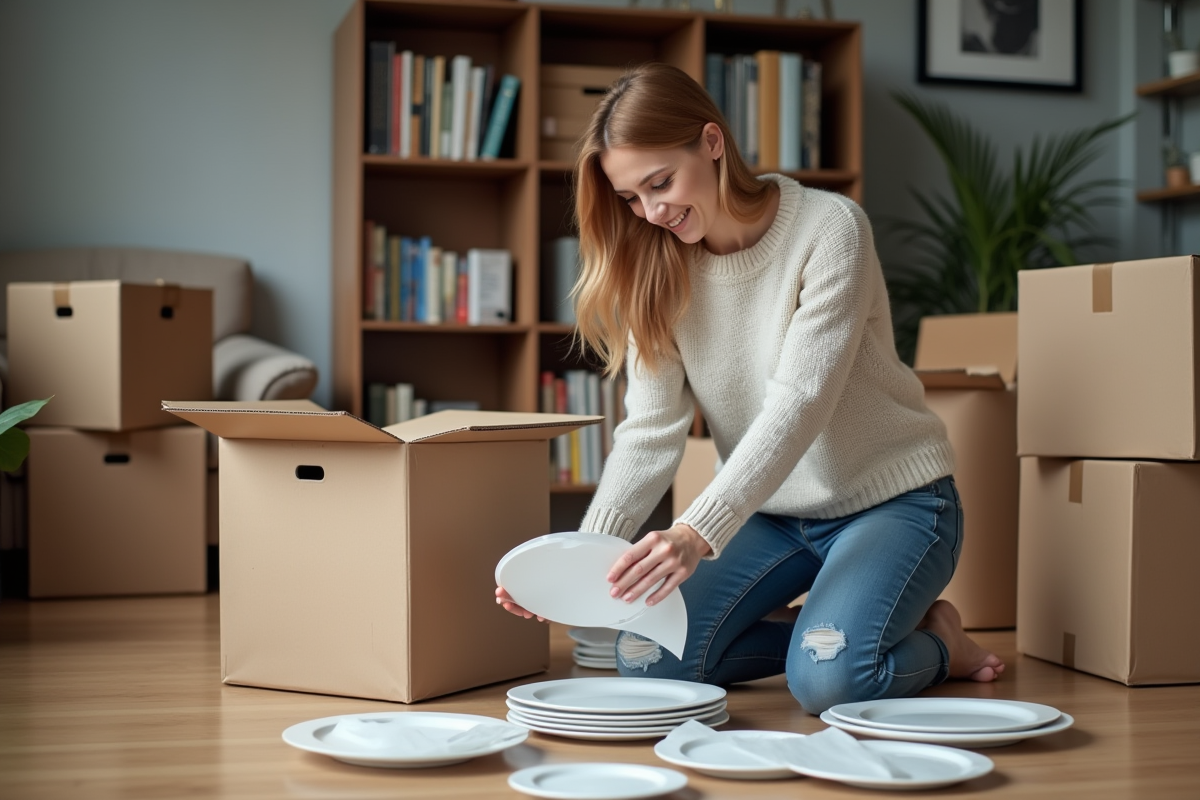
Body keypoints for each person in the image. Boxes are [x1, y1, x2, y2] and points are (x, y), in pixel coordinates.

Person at [495, 62, 1004, 714]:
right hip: (775, 515)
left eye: (660, 182)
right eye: (631, 198)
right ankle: (829, 633)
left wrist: (695, 532)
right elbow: (648, 433)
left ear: (712, 143)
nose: (651, 212)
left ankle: (940, 643)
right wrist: (580, 564)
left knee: (829, 685)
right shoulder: (658, 267)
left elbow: (799, 404)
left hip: (892, 502)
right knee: (647, 659)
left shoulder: (829, 228)